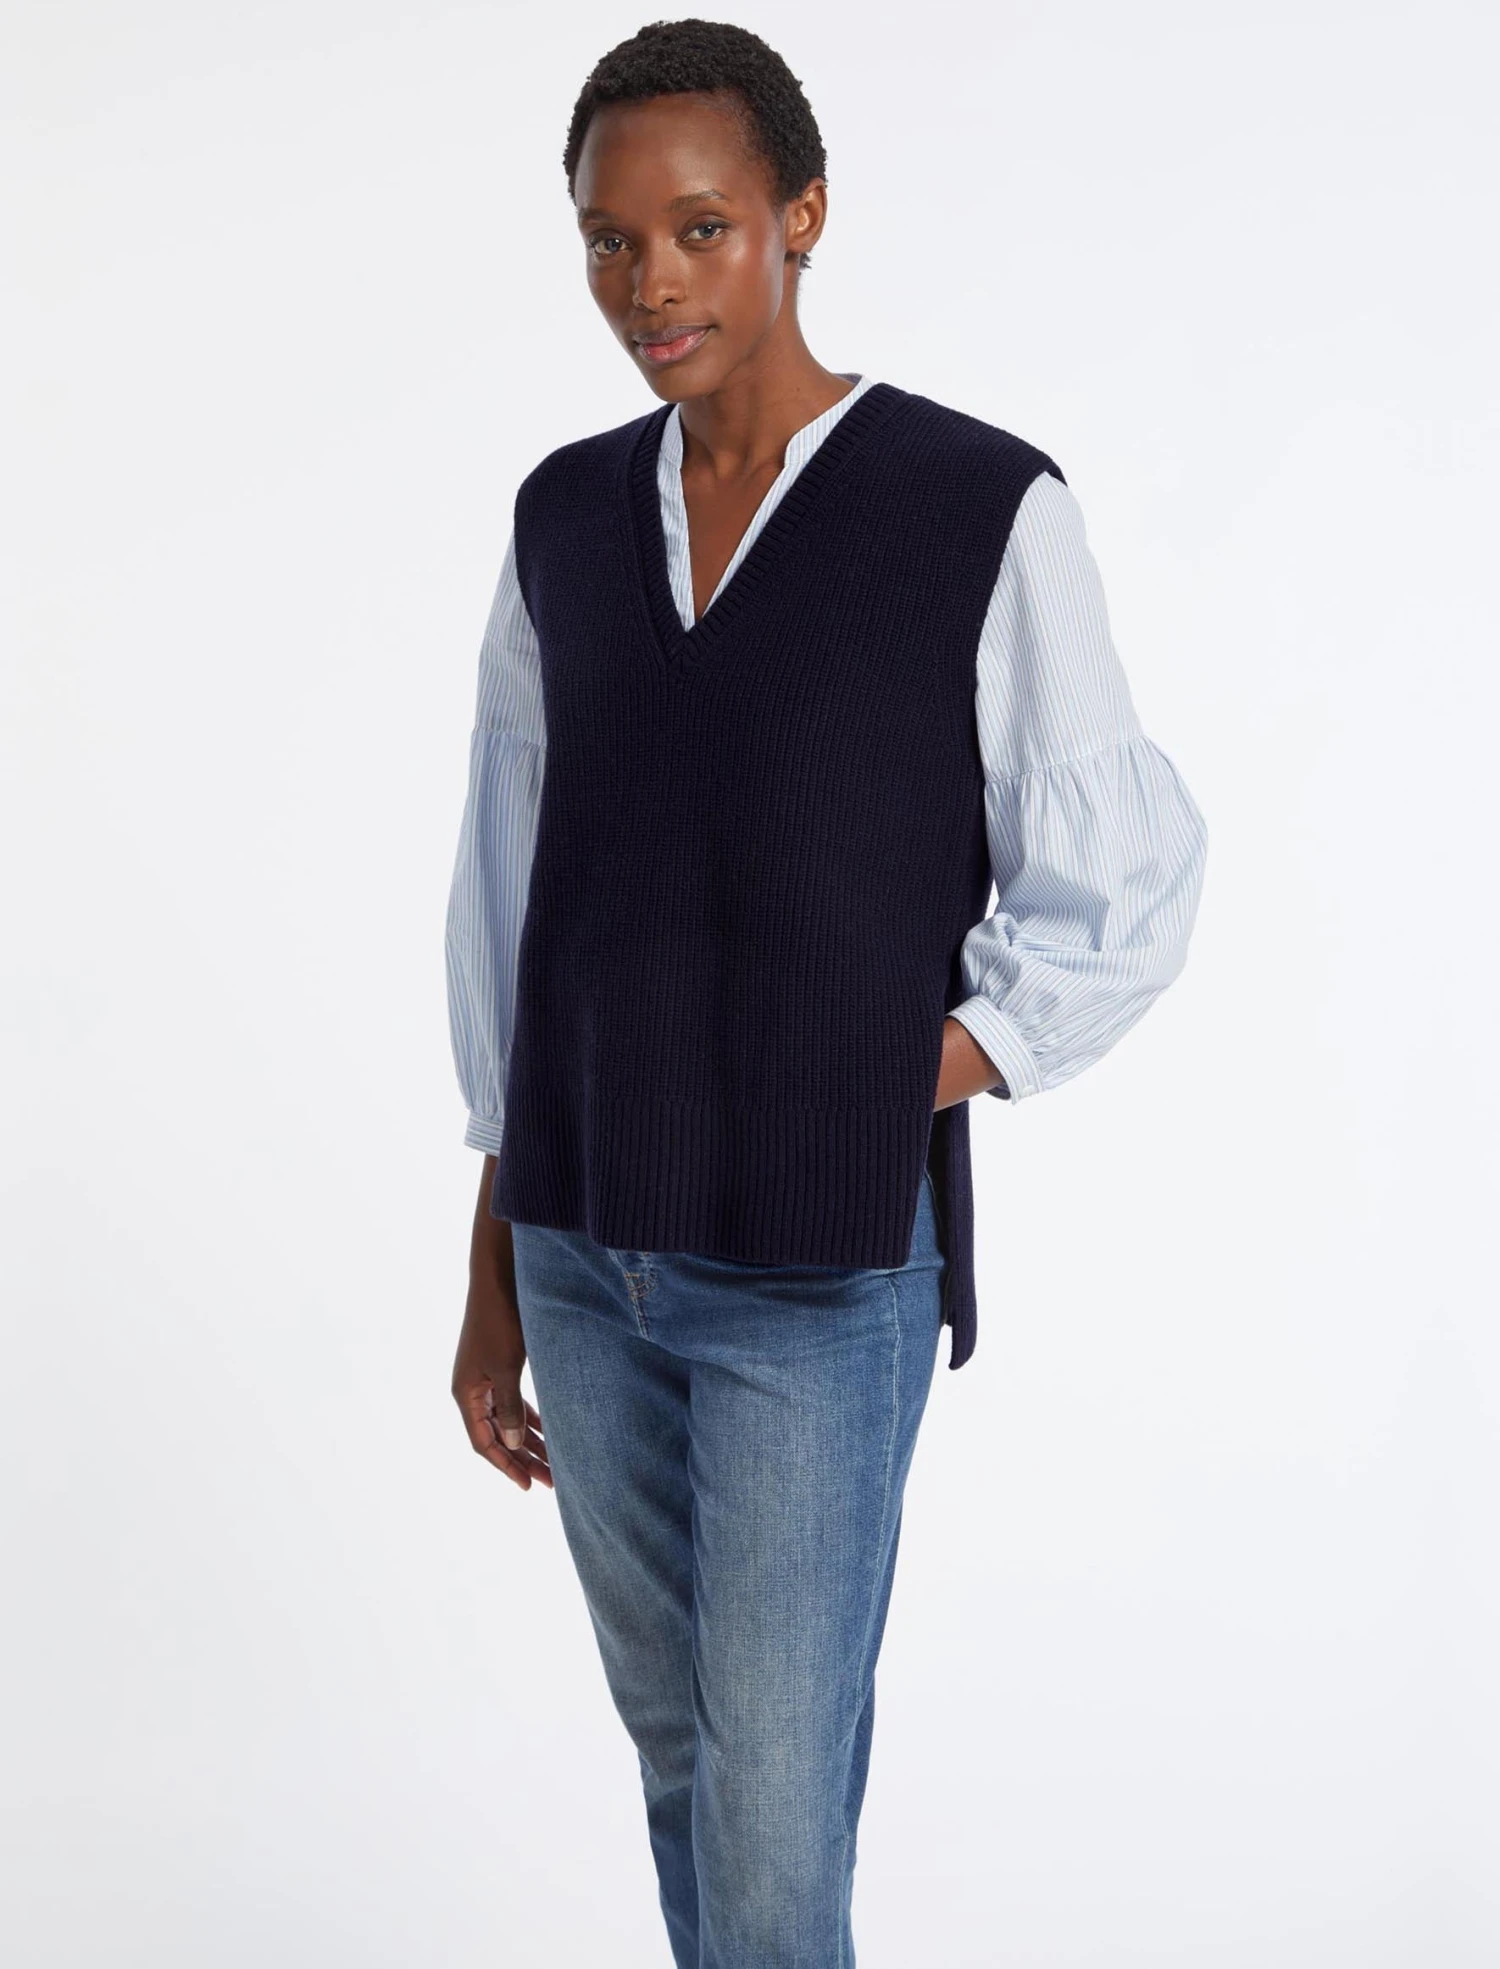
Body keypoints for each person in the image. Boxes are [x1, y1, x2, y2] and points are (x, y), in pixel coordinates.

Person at [444, 19, 1208, 1965]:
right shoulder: (562, 520)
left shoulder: (975, 507)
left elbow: (1119, 884)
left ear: (801, 216)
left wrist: (899, 1074)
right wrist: (492, 1263)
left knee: (776, 1818)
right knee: (683, 1768)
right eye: (611, 241)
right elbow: (518, 900)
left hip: (816, 1275)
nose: (652, 283)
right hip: (581, 1259)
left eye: (700, 228)